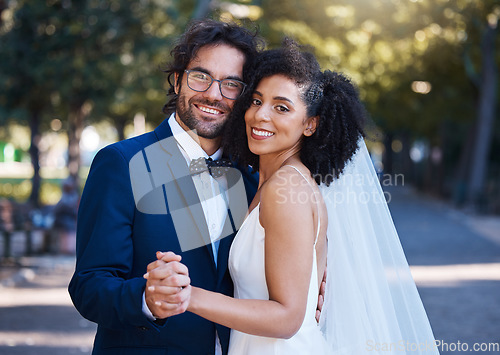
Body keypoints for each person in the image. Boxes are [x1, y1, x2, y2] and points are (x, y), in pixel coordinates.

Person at [148, 40, 439, 354]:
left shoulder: (286, 189)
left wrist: (187, 295)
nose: (260, 115)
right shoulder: (272, 182)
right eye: (256, 101)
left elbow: (287, 318)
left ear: (310, 124)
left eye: (282, 108)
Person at [68, 19, 264, 354]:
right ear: (177, 81)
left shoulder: (250, 177)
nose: (213, 94)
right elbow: (89, 286)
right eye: (200, 76)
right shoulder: (121, 163)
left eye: (231, 84)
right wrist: (146, 298)